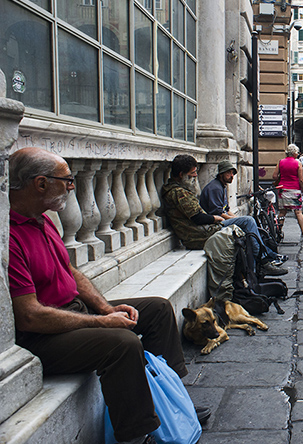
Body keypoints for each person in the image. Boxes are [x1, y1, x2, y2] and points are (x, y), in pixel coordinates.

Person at [8, 147, 209, 444]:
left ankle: (173, 402)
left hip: (74, 311)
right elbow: (29, 316)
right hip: (43, 335)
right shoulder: (9, 236)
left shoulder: (43, 219)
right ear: (40, 183)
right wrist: (102, 324)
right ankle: (137, 436)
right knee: (122, 343)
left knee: (157, 309)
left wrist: (103, 308)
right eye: (67, 179)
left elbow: (71, 272)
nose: (72, 186)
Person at [162, 155, 288, 276]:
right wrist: (215, 218)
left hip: (204, 229)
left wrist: (231, 219)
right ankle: (264, 261)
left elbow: (223, 210)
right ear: (181, 174)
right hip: (201, 234)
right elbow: (198, 217)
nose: (196, 175)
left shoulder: (211, 187)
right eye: (192, 173)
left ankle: (262, 262)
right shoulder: (180, 193)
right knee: (248, 222)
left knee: (248, 225)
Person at [273, 144, 303, 242]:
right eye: (296, 153)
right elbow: (301, 180)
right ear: (293, 153)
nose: (297, 154)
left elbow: (274, 176)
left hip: (283, 190)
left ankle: (279, 231)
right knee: (298, 212)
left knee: (282, 212)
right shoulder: (298, 163)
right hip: (295, 190)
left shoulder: (280, 162)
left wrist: (281, 177)